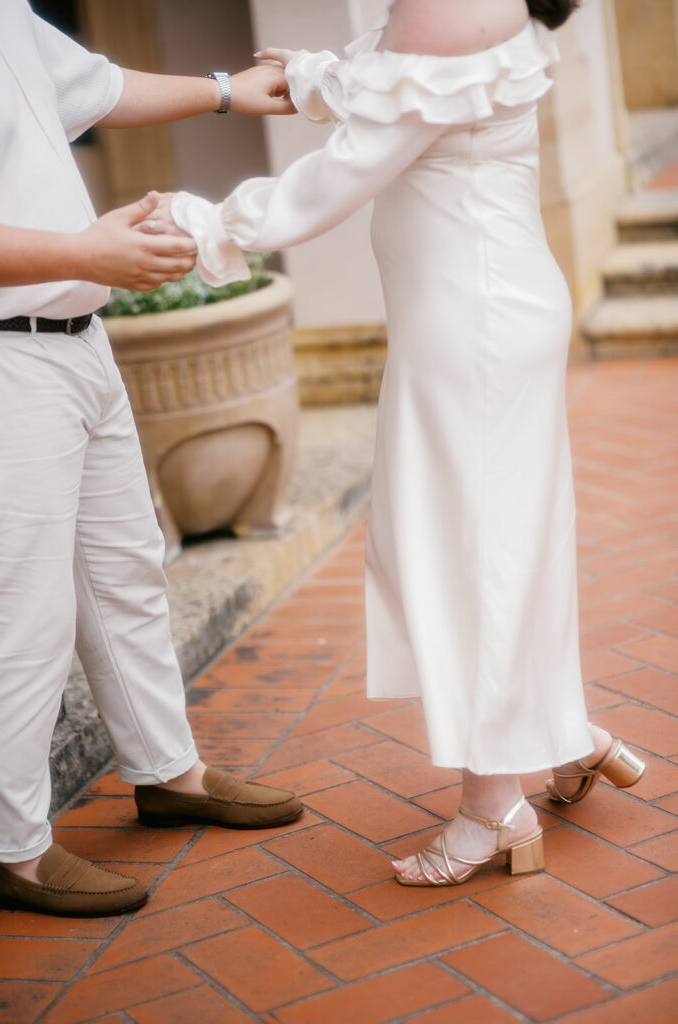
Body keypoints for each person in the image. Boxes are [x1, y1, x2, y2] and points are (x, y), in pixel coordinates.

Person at [148, 0, 646, 888]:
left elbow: (349, 169)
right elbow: (408, 92)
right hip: (479, 314)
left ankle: (495, 809)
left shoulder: (451, 3)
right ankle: (566, 735)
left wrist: (204, 227)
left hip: (473, 326)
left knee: (470, 558)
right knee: (498, 548)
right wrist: (313, 77)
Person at [0, 0, 302, 918]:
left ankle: (169, 772)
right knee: (25, 616)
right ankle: (10, 848)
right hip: (6, 355)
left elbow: (97, 84)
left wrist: (226, 92)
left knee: (126, 576)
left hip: (79, 339)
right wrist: (87, 246)